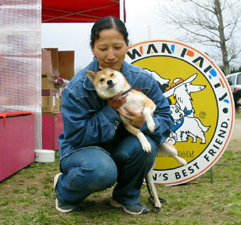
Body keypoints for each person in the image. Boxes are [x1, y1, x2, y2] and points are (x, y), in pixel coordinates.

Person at [54, 16, 173, 215]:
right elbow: (76, 137)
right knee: (100, 170)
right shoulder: (77, 87)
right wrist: (111, 112)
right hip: (82, 150)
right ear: (93, 48)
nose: (111, 55)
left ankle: (125, 196)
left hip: (122, 148)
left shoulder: (142, 79)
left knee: (145, 147)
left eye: (118, 47)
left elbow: (167, 119)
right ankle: (65, 191)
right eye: (103, 48)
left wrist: (144, 122)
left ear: (127, 45)